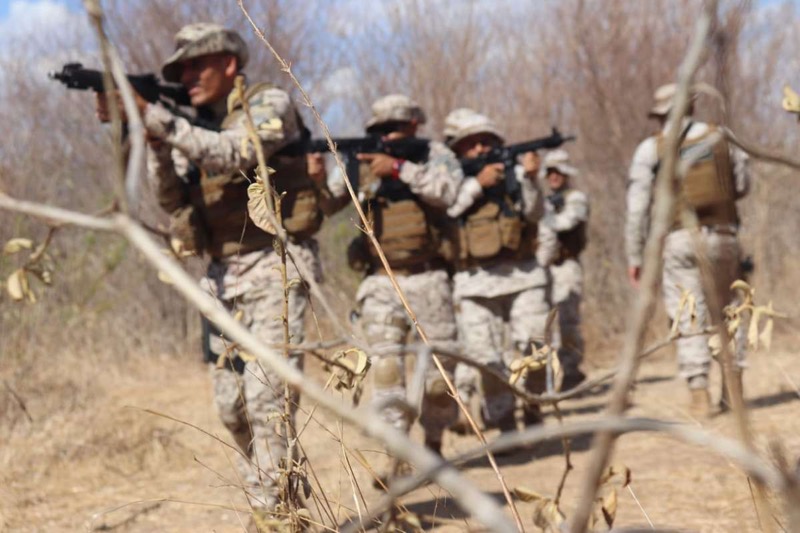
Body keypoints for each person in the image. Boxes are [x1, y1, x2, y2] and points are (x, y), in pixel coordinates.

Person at [97, 23, 324, 527]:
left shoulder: (267, 104)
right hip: (221, 276)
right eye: (180, 70)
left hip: (276, 266)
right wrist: (153, 139)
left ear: (228, 63)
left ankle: (273, 516)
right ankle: (280, 492)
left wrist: (156, 115)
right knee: (232, 410)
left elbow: (241, 154)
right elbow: (172, 199)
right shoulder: (189, 124)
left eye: (198, 64)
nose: (189, 76)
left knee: (269, 400)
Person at [317, 94, 463, 474]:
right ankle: (398, 456)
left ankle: (434, 444)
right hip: (381, 283)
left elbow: (450, 193)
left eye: (398, 128)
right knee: (385, 371)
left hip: (430, 278)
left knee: (438, 379)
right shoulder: (359, 161)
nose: (390, 135)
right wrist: (318, 176)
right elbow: (327, 204)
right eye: (382, 130)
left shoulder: (435, 155)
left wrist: (399, 169)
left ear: (415, 125)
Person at [625, 83, 750, 418]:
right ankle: (732, 388)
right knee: (730, 312)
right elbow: (742, 183)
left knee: (688, 312)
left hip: (679, 240)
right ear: (691, 108)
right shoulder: (720, 136)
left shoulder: (651, 149)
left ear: (660, 115)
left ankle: (698, 392)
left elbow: (637, 210)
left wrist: (636, 257)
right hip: (724, 236)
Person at [443, 108, 557, 433]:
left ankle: (534, 407)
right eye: (471, 143)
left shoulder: (515, 174)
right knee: (486, 360)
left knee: (535, 348)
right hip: (474, 282)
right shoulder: (450, 180)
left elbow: (535, 214)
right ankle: (504, 423)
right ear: (457, 150)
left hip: (523, 275)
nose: (480, 149)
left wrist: (532, 178)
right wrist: (477, 185)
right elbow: (448, 212)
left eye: (486, 141)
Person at [540, 149, 589, 389]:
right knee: (545, 323)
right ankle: (551, 373)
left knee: (567, 321)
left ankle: (571, 370)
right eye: (549, 172)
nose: (553, 177)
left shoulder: (575, 198)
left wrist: (543, 221)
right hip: (546, 268)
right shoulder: (545, 200)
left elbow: (567, 222)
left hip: (567, 266)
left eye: (558, 172)